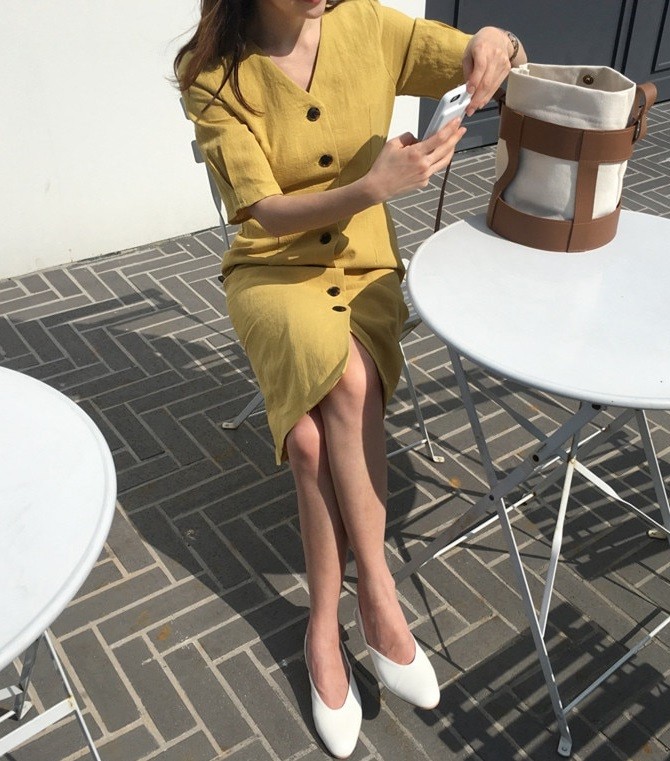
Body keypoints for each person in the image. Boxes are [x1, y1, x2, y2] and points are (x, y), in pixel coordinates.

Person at [176, 1, 525, 756]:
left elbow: (479, 55)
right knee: (350, 387)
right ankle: (375, 594)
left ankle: (326, 626)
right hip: (274, 270)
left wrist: (500, 42)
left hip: (363, 263)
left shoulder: (366, 24)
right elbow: (262, 213)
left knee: (310, 442)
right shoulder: (211, 74)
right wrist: (375, 186)